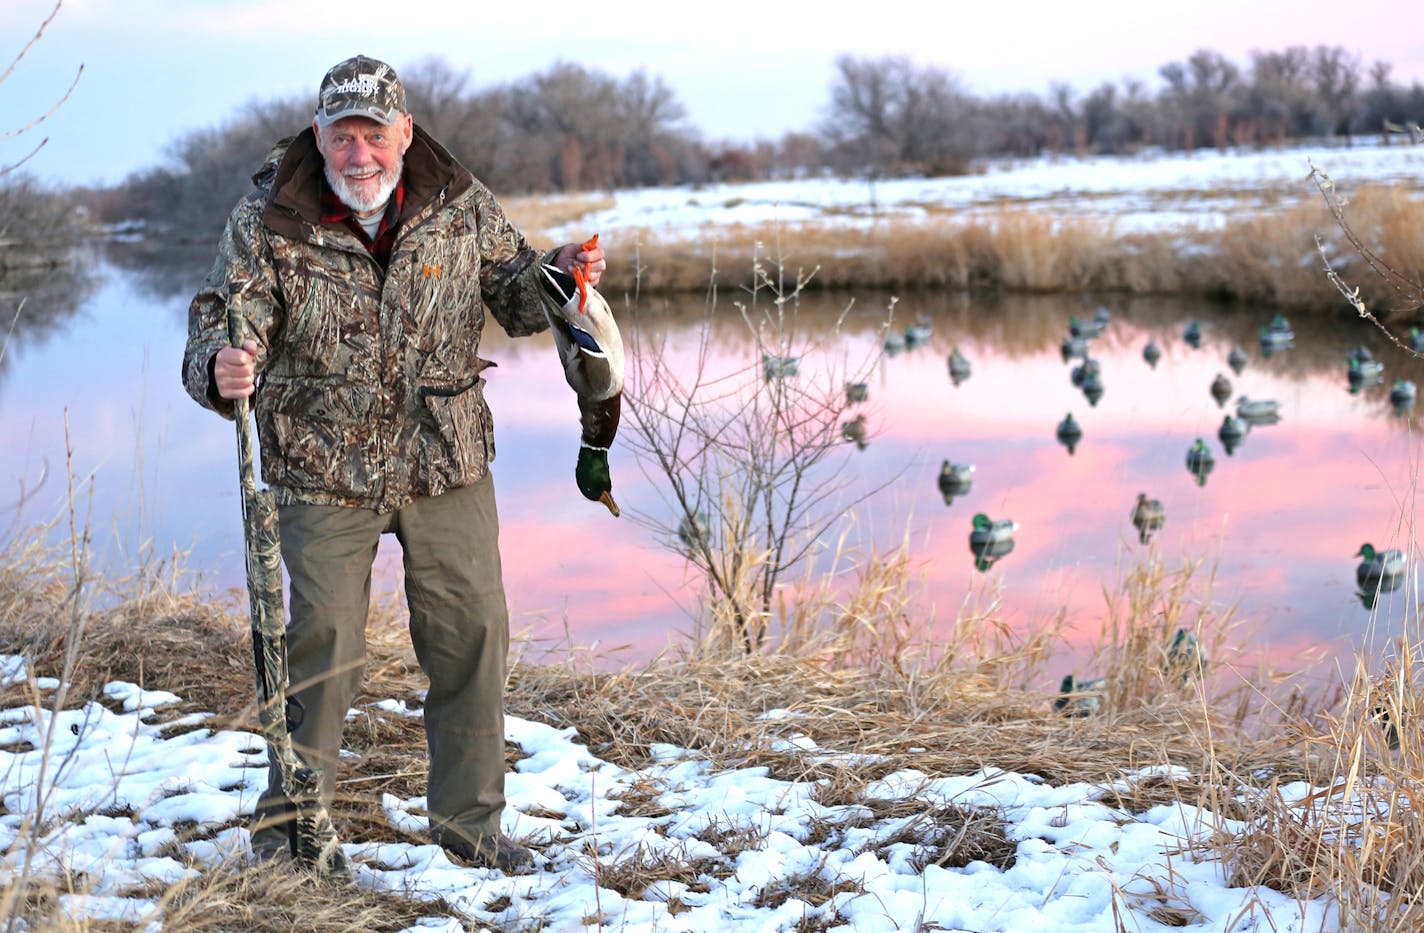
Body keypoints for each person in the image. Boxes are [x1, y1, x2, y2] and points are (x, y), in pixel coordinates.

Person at [181, 54, 608, 872]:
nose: (359, 155)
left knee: (472, 639)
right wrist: (219, 366)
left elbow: (516, 299)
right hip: (320, 466)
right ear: (320, 135)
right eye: (343, 136)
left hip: (446, 459)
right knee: (319, 647)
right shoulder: (267, 216)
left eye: (374, 134)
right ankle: (292, 836)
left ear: (404, 133)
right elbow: (222, 319)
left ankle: (470, 829)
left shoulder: (459, 201)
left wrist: (559, 274)